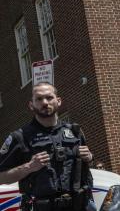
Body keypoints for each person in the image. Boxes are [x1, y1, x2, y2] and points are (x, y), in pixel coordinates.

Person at [0, 82, 94, 211]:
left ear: (58, 101)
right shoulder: (20, 137)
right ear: (31, 105)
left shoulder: (75, 131)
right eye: (39, 99)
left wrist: (89, 158)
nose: (45, 102)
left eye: (49, 97)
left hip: (79, 205)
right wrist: (28, 167)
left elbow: (86, 168)